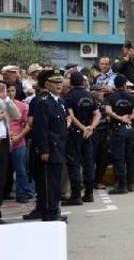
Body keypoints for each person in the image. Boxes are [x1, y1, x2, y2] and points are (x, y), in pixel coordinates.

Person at [25, 69, 67, 222]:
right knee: (49, 182)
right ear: (47, 85)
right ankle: (50, 212)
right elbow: (41, 128)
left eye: (60, 82)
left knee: (55, 182)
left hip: (59, 147)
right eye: (55, 82)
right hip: (49, 147)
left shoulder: (60, 102)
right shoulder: (43, 103)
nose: (59, 85)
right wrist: (44, 149)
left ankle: (54, 209)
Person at [64, 71, 101, 205]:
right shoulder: (89, 95)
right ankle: (89, 193)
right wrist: (91, 127)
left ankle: (76, 196)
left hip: (76, 132)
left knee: (74, 164)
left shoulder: (69, 96)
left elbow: (71, 116)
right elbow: (97, 114)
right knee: (88, 163)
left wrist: (83, 128)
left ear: (71, 82)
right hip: (88, 133)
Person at [105, 75, 134, 194]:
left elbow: (108, 111)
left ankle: (121, 185)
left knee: (119, 157)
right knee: (130, 157)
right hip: (130, 129)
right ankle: (130, 184)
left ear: (115, 85)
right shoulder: (131, 96)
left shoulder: (111, 97)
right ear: (125, 84)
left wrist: (119, 118)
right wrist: (130, 117)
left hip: (117, 129)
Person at [7, 82, 33, 204]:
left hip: (18, 141)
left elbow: (28, 124)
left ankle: (22, 193)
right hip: (4, 140)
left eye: (12, 90)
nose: (10, 93)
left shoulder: (22, 106)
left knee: (21, 169)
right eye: (7, 91)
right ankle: (5, 192)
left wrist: (19, 136)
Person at [0, 81, 21, 223]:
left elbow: (17, 115)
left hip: (3, 142)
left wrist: (6, 98)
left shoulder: (4, 101)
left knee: (2, 177)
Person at [90, 84, 110, 190]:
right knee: (91, 158)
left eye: (103, 91)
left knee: (103, 159)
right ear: (94, 92)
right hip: (94, 133)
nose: (103, 93)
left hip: (104, 133)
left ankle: (98, 180)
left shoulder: (103, 103)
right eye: (100, 91)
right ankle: (90, 181)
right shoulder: (90, 103)